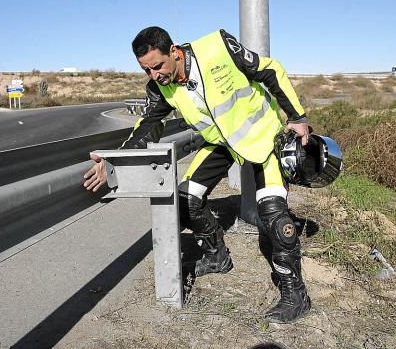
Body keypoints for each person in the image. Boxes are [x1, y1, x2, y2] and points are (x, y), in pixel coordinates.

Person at [83, 27, 311, 323]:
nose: (154, 75)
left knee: (274, 216)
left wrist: (297, 117)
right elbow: (149, 125)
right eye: (146, 70)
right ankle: (217, 257)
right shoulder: (159, 87)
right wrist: (113, 160)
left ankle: (296, 295)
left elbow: (270, 70)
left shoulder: (218, 47)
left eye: (157, 65)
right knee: (186, 198)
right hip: (221, 143)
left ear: (174, 51)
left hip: (262, 136)